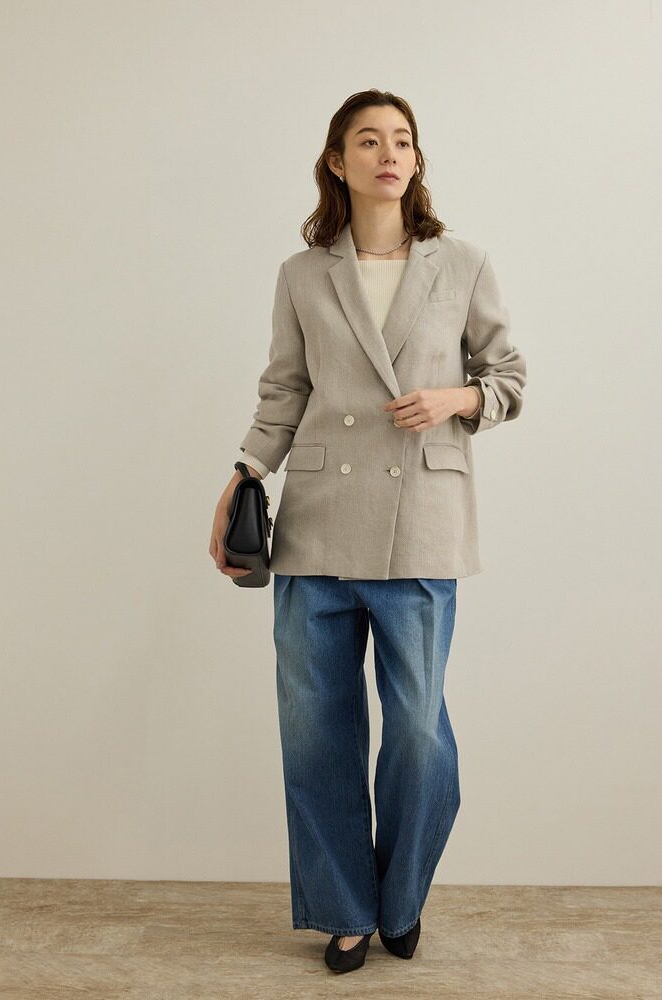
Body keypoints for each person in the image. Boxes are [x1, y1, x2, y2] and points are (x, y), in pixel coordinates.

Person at [209, 89, 527, 973]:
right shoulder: (302, 274)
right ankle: (346, 909)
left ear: (417, 161)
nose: (388, 154)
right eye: (368, 140)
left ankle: (402, 897)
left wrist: (455, 397)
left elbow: (508, 378)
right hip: (317, 525)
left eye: (402, 140)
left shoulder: (462, 264)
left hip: (421, 522)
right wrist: (243, 473)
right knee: (317, 733)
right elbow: (285, 390)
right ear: (337, 161)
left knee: (418, 733)